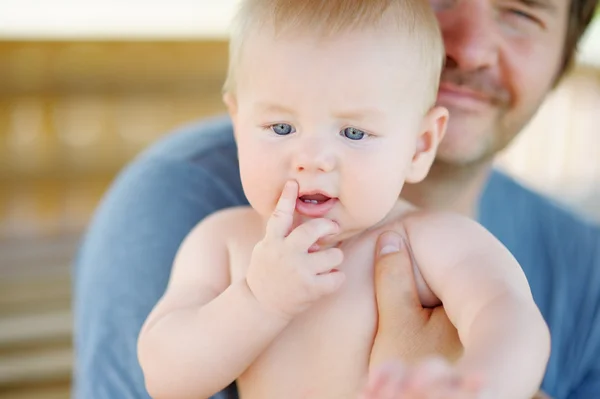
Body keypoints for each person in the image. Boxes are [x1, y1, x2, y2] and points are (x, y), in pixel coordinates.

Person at [72, 0, 600, 396]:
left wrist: (476, 384)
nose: (311, 159)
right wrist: (257, 299)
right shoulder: (225, 243)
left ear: (419, 145)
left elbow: (509, 315)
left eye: (352, 134)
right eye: (280, 126)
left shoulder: (433, 243)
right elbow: (163, 374)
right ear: (239, 123)